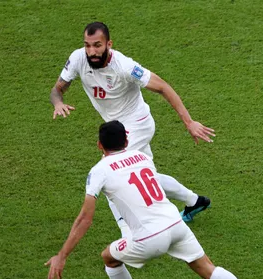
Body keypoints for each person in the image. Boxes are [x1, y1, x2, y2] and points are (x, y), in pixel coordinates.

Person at [45, 121, 263, 279]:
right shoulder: (141, 157)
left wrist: (62, 255)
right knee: (208, 268)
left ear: (99, 144)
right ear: (127, 142)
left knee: (109, 257)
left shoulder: (99, 171)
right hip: (175, 224)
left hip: (148, 238)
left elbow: (85, 219)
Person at [49, 22, 213, 241]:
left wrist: (189, 122)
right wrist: (58, 103)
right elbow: (57, 89)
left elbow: (163, 87)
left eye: (97, 45)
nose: (92, 51)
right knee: (147, 176)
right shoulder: (79, 58)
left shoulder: (124, 66)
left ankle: (128, 234)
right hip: (116, 127)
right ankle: (194, 201)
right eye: (87, 45)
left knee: (111, 175)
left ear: (109, 44)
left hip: (137, 125)